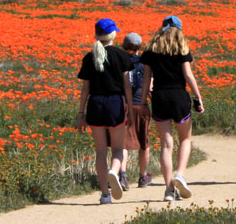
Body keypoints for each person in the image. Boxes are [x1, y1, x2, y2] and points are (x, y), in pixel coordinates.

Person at [140, 16, 205, 202]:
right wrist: (198, 96)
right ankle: (180, 174)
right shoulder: (182, 48)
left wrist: (143, 102)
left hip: (159, 97)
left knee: (166, 144)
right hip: (179, 96)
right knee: (185, 139)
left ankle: (168, 190)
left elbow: (146, 80)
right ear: (179, 29)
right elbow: (188, 75)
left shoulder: (151, 49)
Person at [76, 18, 133, 204]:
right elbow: (126, 86)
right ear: (113, 34)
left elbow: (85, 89)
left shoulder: (89, 57)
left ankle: (105, 195)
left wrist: (80, 115)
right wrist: (130, 110)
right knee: (117, 149)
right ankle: (114, 171)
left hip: (95, 104)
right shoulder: (121, 56)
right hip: (115, 103)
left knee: (100, 152)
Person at [121, 32, 152, 188]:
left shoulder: (119, 61)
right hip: (141, 105)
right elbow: (150, 85)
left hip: (124, 106)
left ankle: (123, 176)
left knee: (123, 144)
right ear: (140, 47)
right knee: (143, 143)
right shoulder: (144, 63)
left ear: (123, 45)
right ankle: (142, 176)